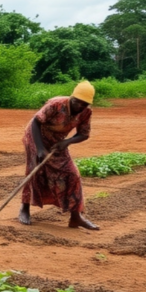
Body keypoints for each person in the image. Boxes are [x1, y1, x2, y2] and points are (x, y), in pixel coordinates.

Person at [19, 81, 99, 230]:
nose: (80, 106)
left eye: (84, 104)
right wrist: (40, 149)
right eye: (77, 102)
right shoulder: (56, 104)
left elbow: (84, 134)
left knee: (73, 174)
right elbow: (36, 122)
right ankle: (24, 208)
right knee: (34, 170)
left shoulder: (86, 112)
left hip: (57, 141)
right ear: (72, 97)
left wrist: (67, 142)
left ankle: (76, 217)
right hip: (36, 137)